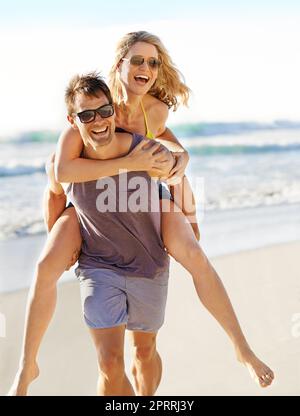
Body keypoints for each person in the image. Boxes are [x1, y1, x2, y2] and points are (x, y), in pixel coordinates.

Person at [8, 31, 274, 396]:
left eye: (152, 62)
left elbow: (177, 161)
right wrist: (57, 224)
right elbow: (57, 174)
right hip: (92, 200)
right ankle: (27, 367)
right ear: (119, 65)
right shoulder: (102, 106)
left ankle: (242, 350)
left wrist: (190, 211)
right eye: (136, 60)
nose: (145, 68)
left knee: (192, 258)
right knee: (46, 266)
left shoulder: (154, 110)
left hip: (141, 197)